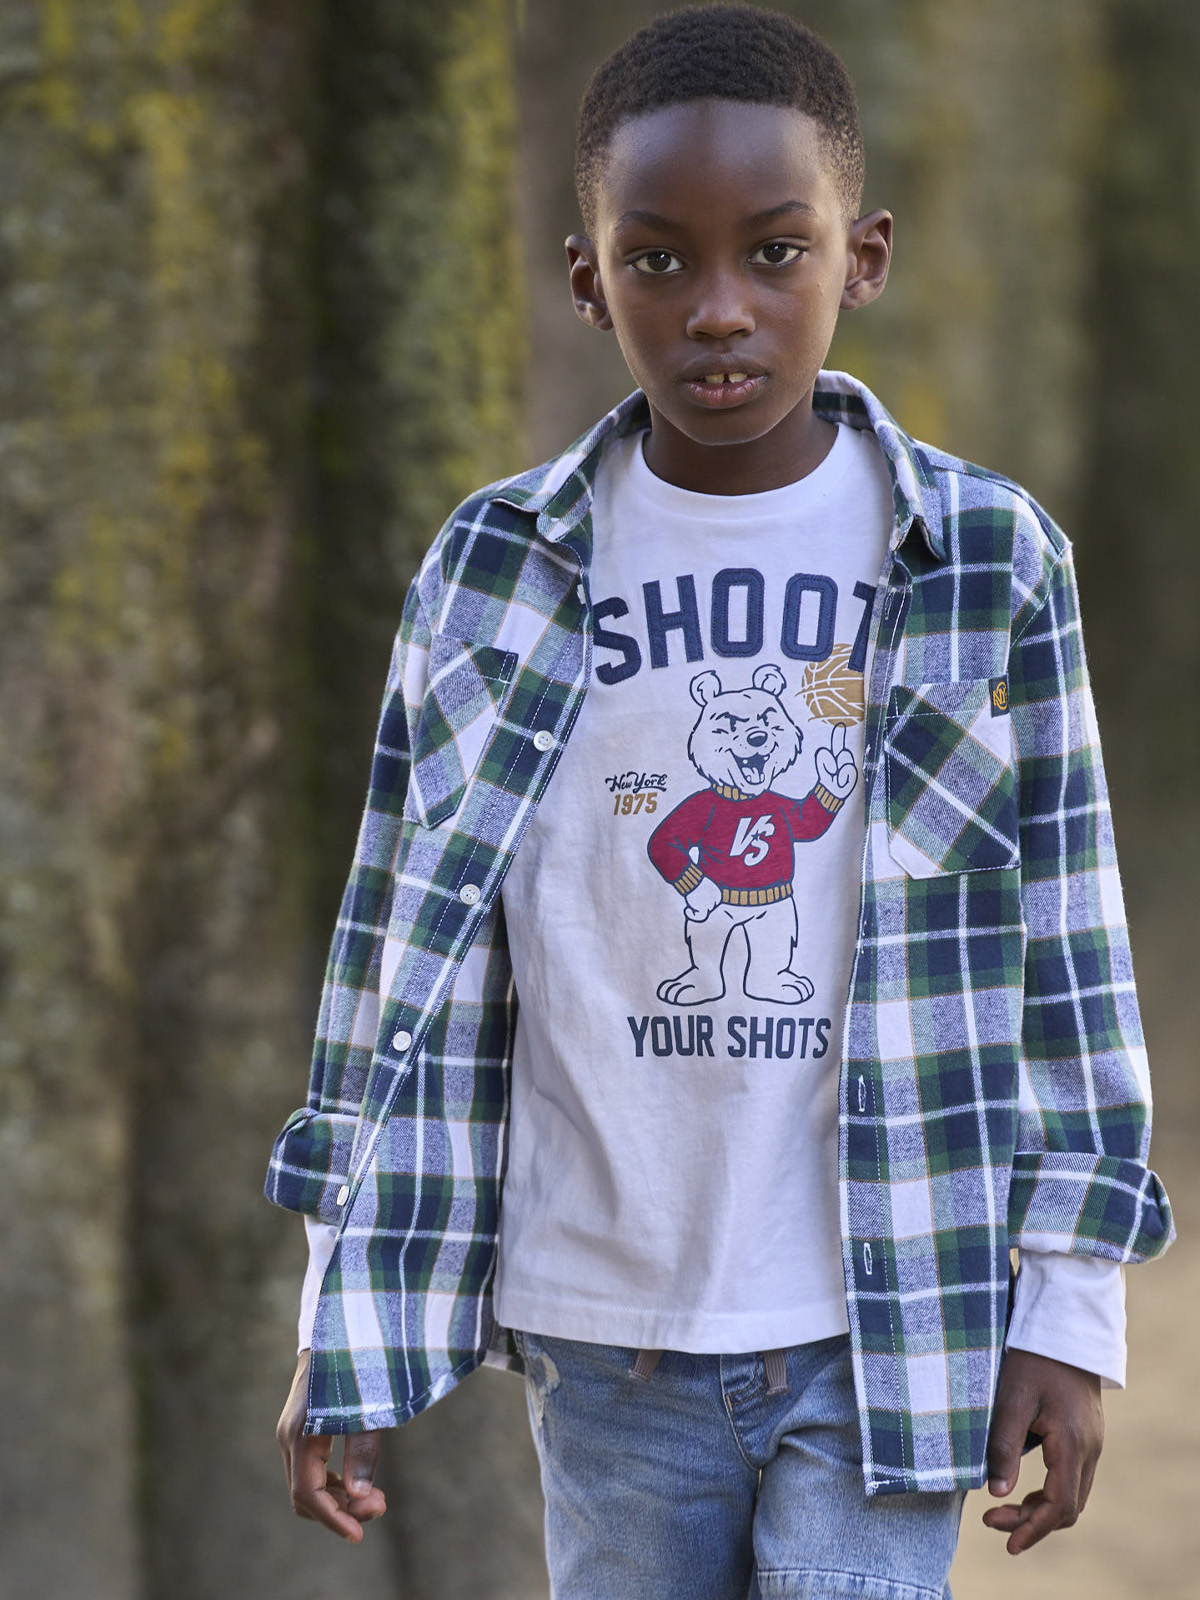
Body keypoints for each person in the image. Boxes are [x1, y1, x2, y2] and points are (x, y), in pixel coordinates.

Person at [269, 8, 1174, 1594]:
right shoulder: (494, 569)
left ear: (863, 257)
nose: (719, 310)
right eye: (658, 261)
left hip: (885, 1314)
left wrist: (1068, 1305)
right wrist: (340, 1312)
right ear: (586, 280)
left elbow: (1068, 946)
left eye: (775, 251)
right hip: (602, 1334)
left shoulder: (988, 561)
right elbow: (397, 955)